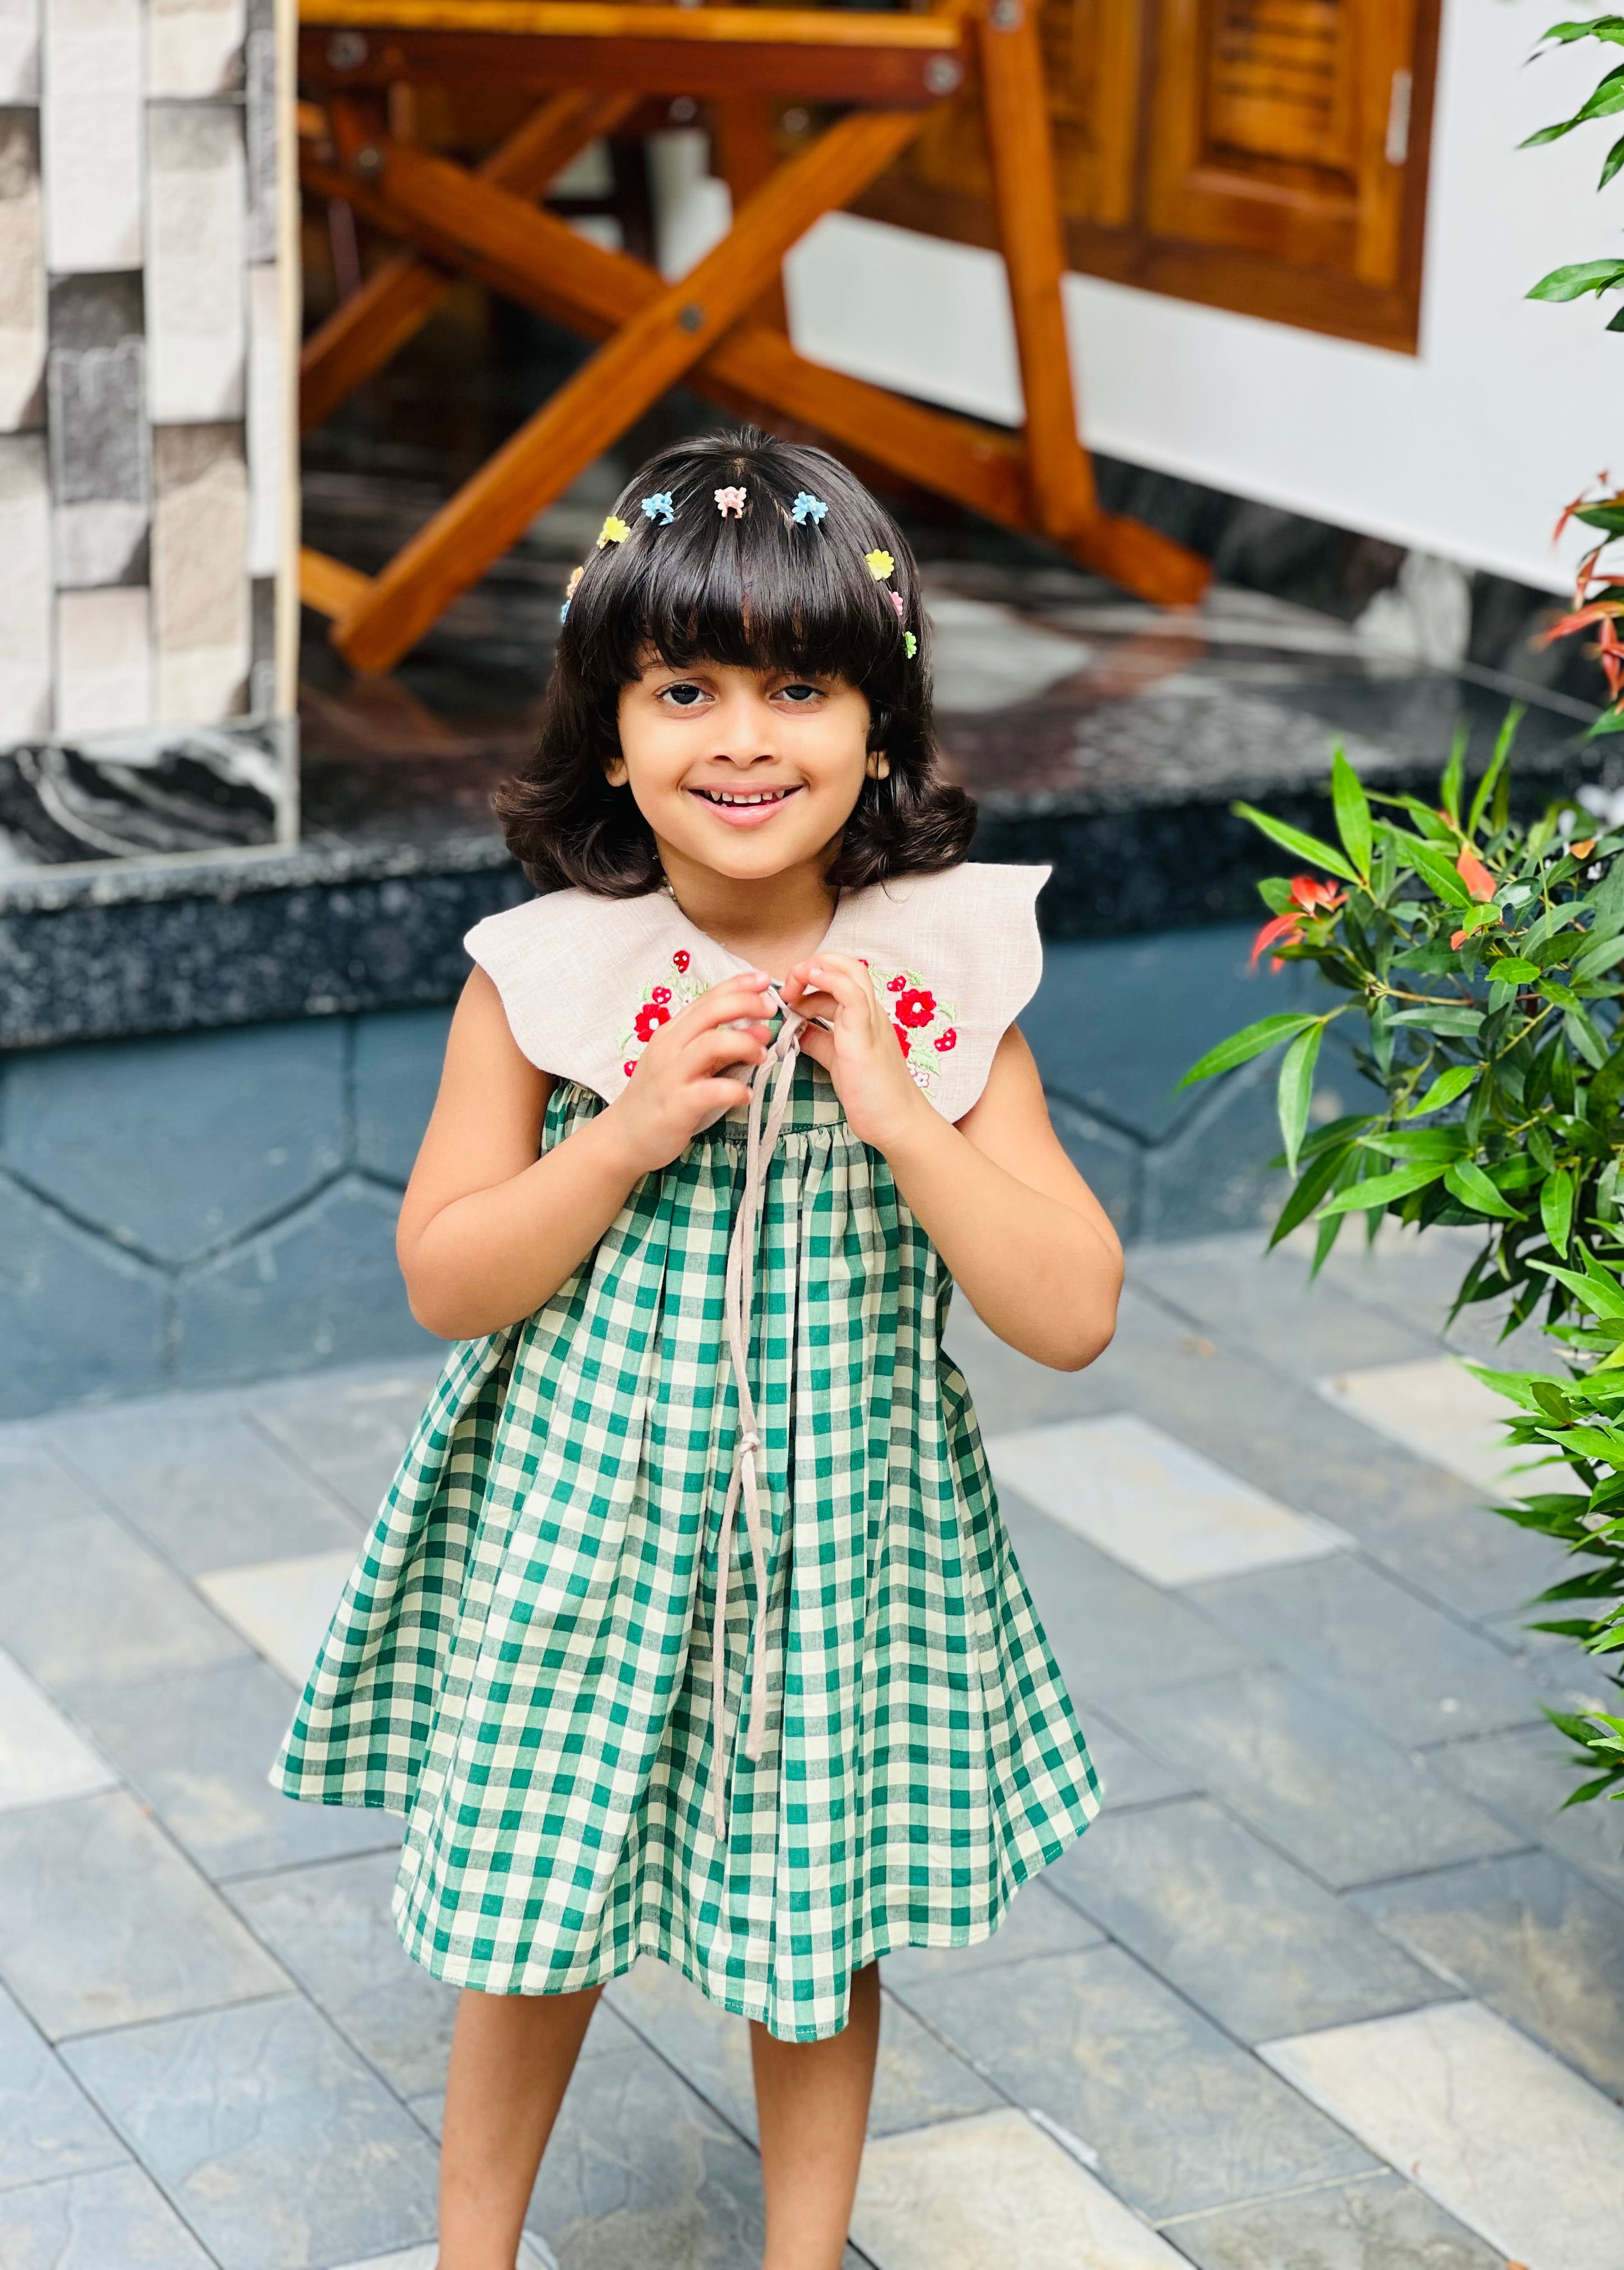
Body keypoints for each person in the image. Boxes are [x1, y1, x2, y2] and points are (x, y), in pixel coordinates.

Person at [272, 427, 1120, 2270]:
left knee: (814, 1933)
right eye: (686, 688)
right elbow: (445, 1277)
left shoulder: (944, 975)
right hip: (585, 1526)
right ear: (611, 728)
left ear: (879, 728)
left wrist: (905, 1114)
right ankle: (470, 2254)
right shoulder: (548, 977)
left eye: (799, 686)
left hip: (843, 1543)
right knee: (529, 1909)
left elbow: (1069, 1312)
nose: (744, 737)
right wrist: (626, 1128)